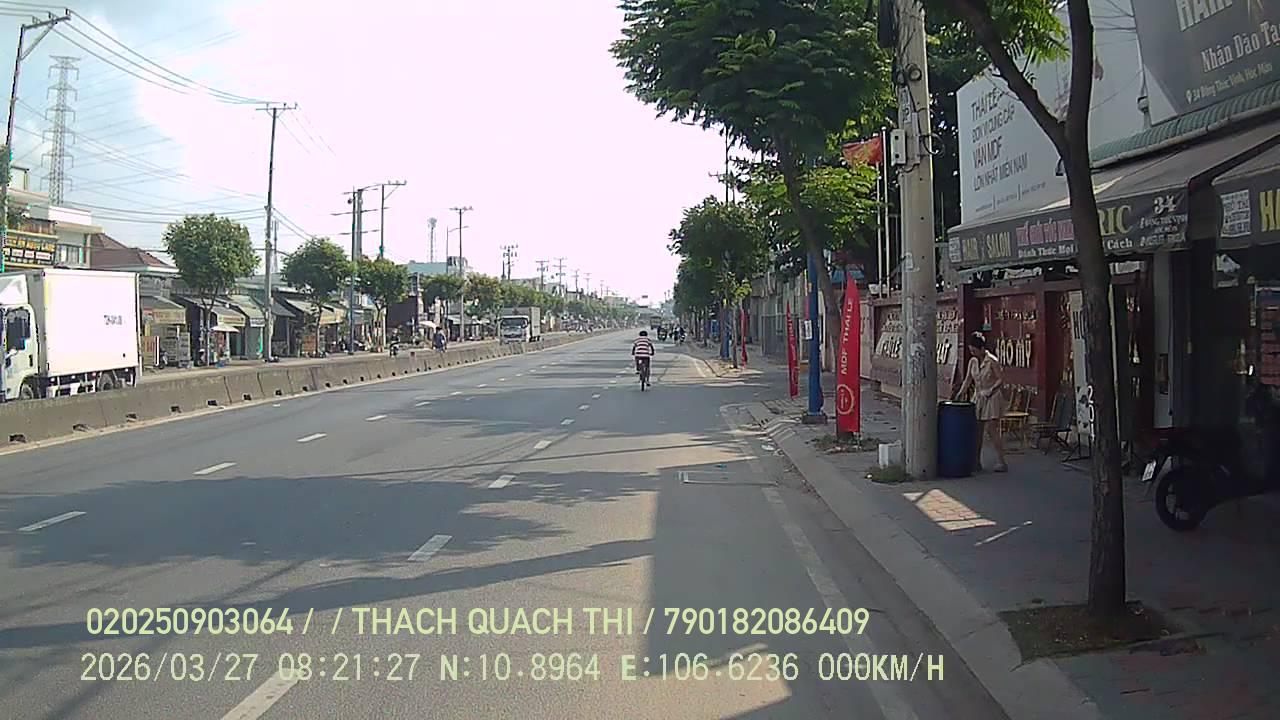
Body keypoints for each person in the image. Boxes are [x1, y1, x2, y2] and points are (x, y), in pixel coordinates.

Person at [955, 331, 1008, 473]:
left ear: (982, 348)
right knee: (977, 430)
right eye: (971, 350)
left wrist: (991, 389)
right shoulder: (972, 362)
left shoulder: (992, 361)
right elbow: (968, 380)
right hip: (978, 397)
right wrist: (960, 394)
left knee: (991, 429)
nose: (973, 353)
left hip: (992, 397)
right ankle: (976, 461)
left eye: (974, 350)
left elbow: (1001, 379)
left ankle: (1001, 461)